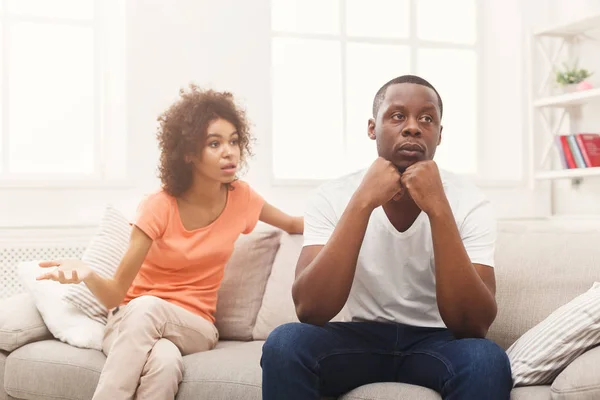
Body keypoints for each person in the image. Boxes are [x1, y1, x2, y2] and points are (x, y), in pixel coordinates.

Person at [36, 85, 304, 400]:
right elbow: (115, 296)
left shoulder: (242, 198)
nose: (229, 151)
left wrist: (355, 212)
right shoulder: (158, 206)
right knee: (163, 361)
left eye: (233, 141)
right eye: (214, 143)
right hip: (128, 323)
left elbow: (293, 223)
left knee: (148, 308)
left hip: (195, 326)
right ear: (188, 153)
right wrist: (88, 274)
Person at [260, 75, 512, 400]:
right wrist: (363, 201)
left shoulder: (470, 201)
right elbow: (311, 310)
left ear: (439, 134)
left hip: (437, 340)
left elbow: (473, 326)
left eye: (426, 118)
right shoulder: (332, 196)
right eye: (397, 116)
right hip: (357, 338)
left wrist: (439, 210)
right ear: (371, 128)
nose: (412, 127)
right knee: (285, 343)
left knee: (487, 359)